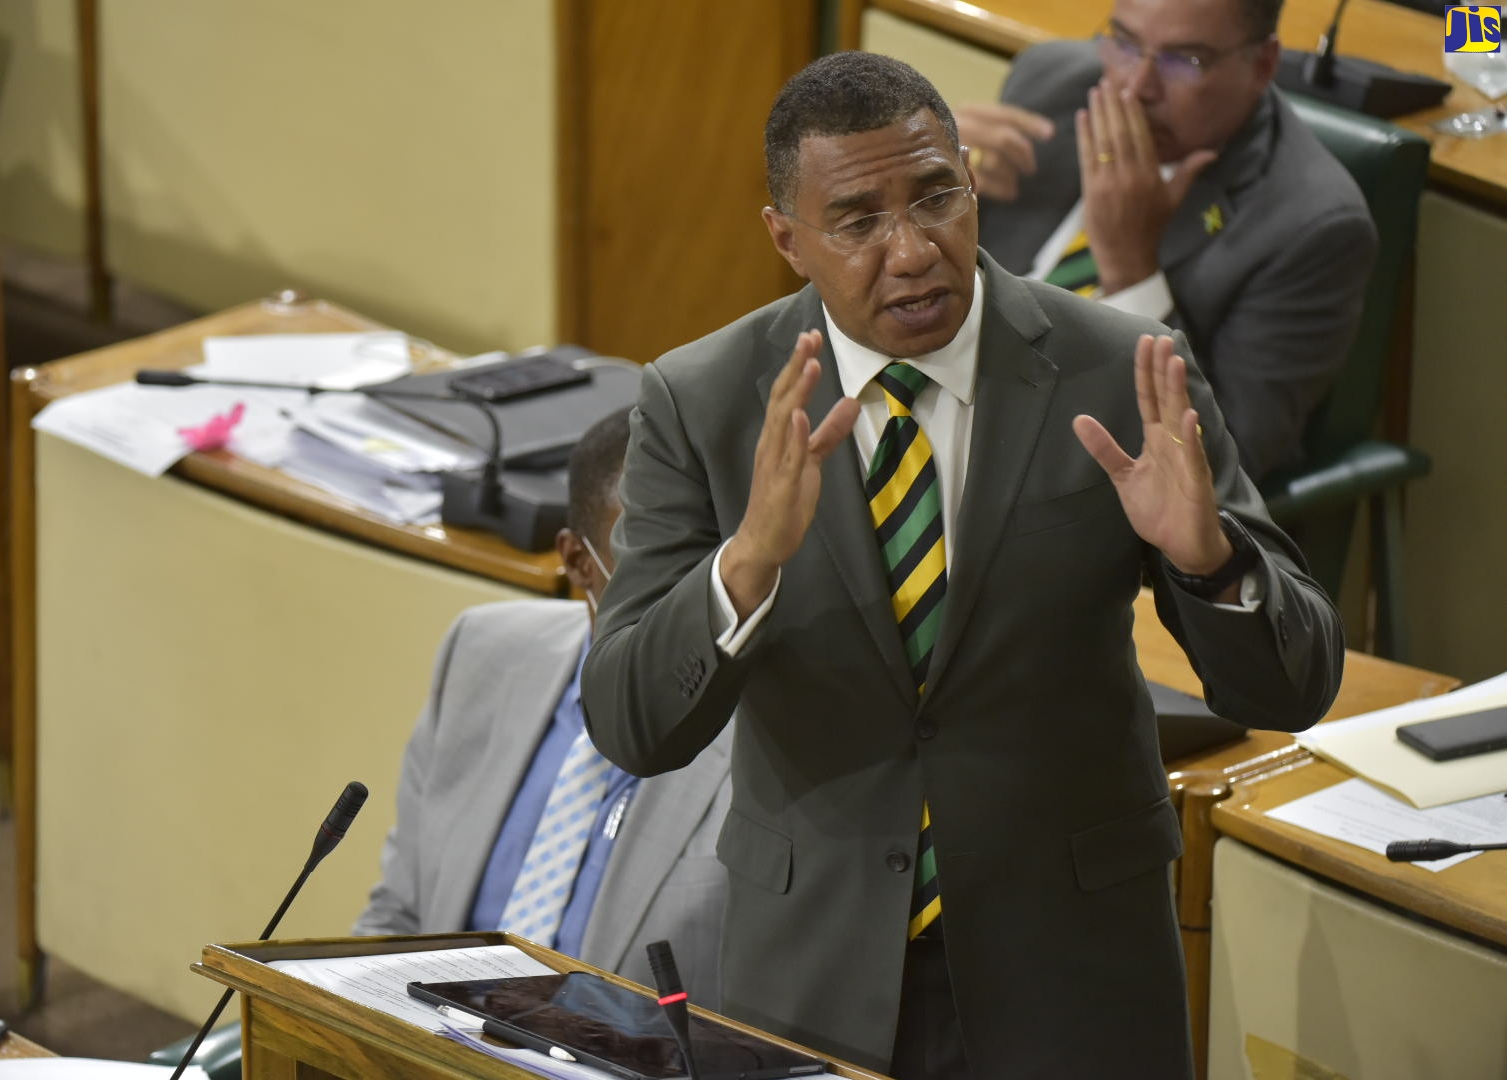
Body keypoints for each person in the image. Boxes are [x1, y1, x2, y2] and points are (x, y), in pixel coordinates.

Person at [580, 51, 1343, 1079]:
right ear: (787, 239)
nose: (911, 251)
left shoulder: (1122, 369)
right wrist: (749, 561)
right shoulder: (702, 400)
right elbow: (632, 722)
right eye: (856, 221)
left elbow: (1291, 687)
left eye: (937, 197)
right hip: (812, 979)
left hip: (1075, 979)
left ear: (971, 186)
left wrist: (1205, 559)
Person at [354, 407, 732, 1007]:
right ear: (579, 562)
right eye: (646, 553)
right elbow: (399, 913)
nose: (681, 589)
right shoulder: (483, 652)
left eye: (698, 553)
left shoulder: (766, 732)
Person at [957, 0, 1376, 483]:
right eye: (1126, 43)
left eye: (1184, 61)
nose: (1135, 86)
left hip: (1074, 492)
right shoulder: (1051, 80)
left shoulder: (1313, 227)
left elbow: (1225, 473)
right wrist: (925, 189)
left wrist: (1130, 268)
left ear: (1262, 65)